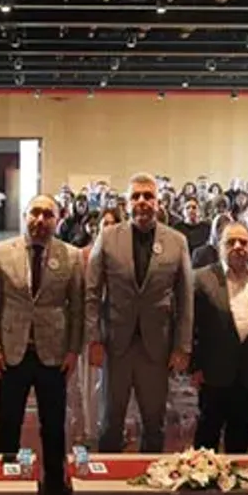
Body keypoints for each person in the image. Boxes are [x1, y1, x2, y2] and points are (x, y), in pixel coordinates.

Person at [0, 194, 82, 495]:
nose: (40, 220)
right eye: (35, 213)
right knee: (8, 421)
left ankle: (55, 483)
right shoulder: (2, 252)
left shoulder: (72, 256)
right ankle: (7, 480)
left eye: (47, 214)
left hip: (54, 353)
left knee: (53, 423)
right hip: (11, 351)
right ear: (25, 215)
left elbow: (77, 308)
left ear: (58, 219)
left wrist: (73, 350)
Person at [86, 173, 193, 453]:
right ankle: (109, 477)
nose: (142, 201)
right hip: (116, 345)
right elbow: (92, 293)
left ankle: (151, 479)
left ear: (158, 202)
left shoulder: (177, 241)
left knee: (154, 423)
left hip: (156, 347)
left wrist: (182, 346)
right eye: (136, 196)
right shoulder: (107, 237)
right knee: (110, 422)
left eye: (148, 196)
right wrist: (94, 339)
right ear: (127, 202)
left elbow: (185, 298)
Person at [190, 222, 248, 453]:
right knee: (207, 439)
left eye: (243, 242)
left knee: (241, 438)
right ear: (219, 246)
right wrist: (194, 366)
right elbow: (191, 326)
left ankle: (237, 476)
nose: (237, 246)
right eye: (230, 242)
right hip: (213, 373)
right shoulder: (201, 278)